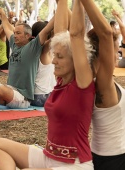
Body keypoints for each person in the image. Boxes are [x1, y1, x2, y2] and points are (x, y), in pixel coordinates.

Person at [0, 0, 96, 169]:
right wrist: (61, 2)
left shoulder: (81, 85)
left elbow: (75, 34)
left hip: (75, 164)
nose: (53, 60)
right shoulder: (60, 82)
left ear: (76, 60)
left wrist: (79, 4)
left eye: (59, 57)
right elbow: (61, 32)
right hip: (49, 157)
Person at [0, 7, 54, 111]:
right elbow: (6, 27)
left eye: (18, 33)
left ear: (28, 35)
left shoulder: (33, 48)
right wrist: (3, 15)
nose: (15, 35)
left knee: (1, 91)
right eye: (15, 33)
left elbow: (46, 30)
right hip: (10, 90)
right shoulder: (14, 45)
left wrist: (60, 8)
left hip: (22, 98)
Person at [79, 0, 125, 170]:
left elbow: (75, 34)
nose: (118, 54)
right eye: (116, 49)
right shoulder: (102, 84)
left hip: (101, 155)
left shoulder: (88, 80)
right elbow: (105, 33)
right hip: (115, 159)